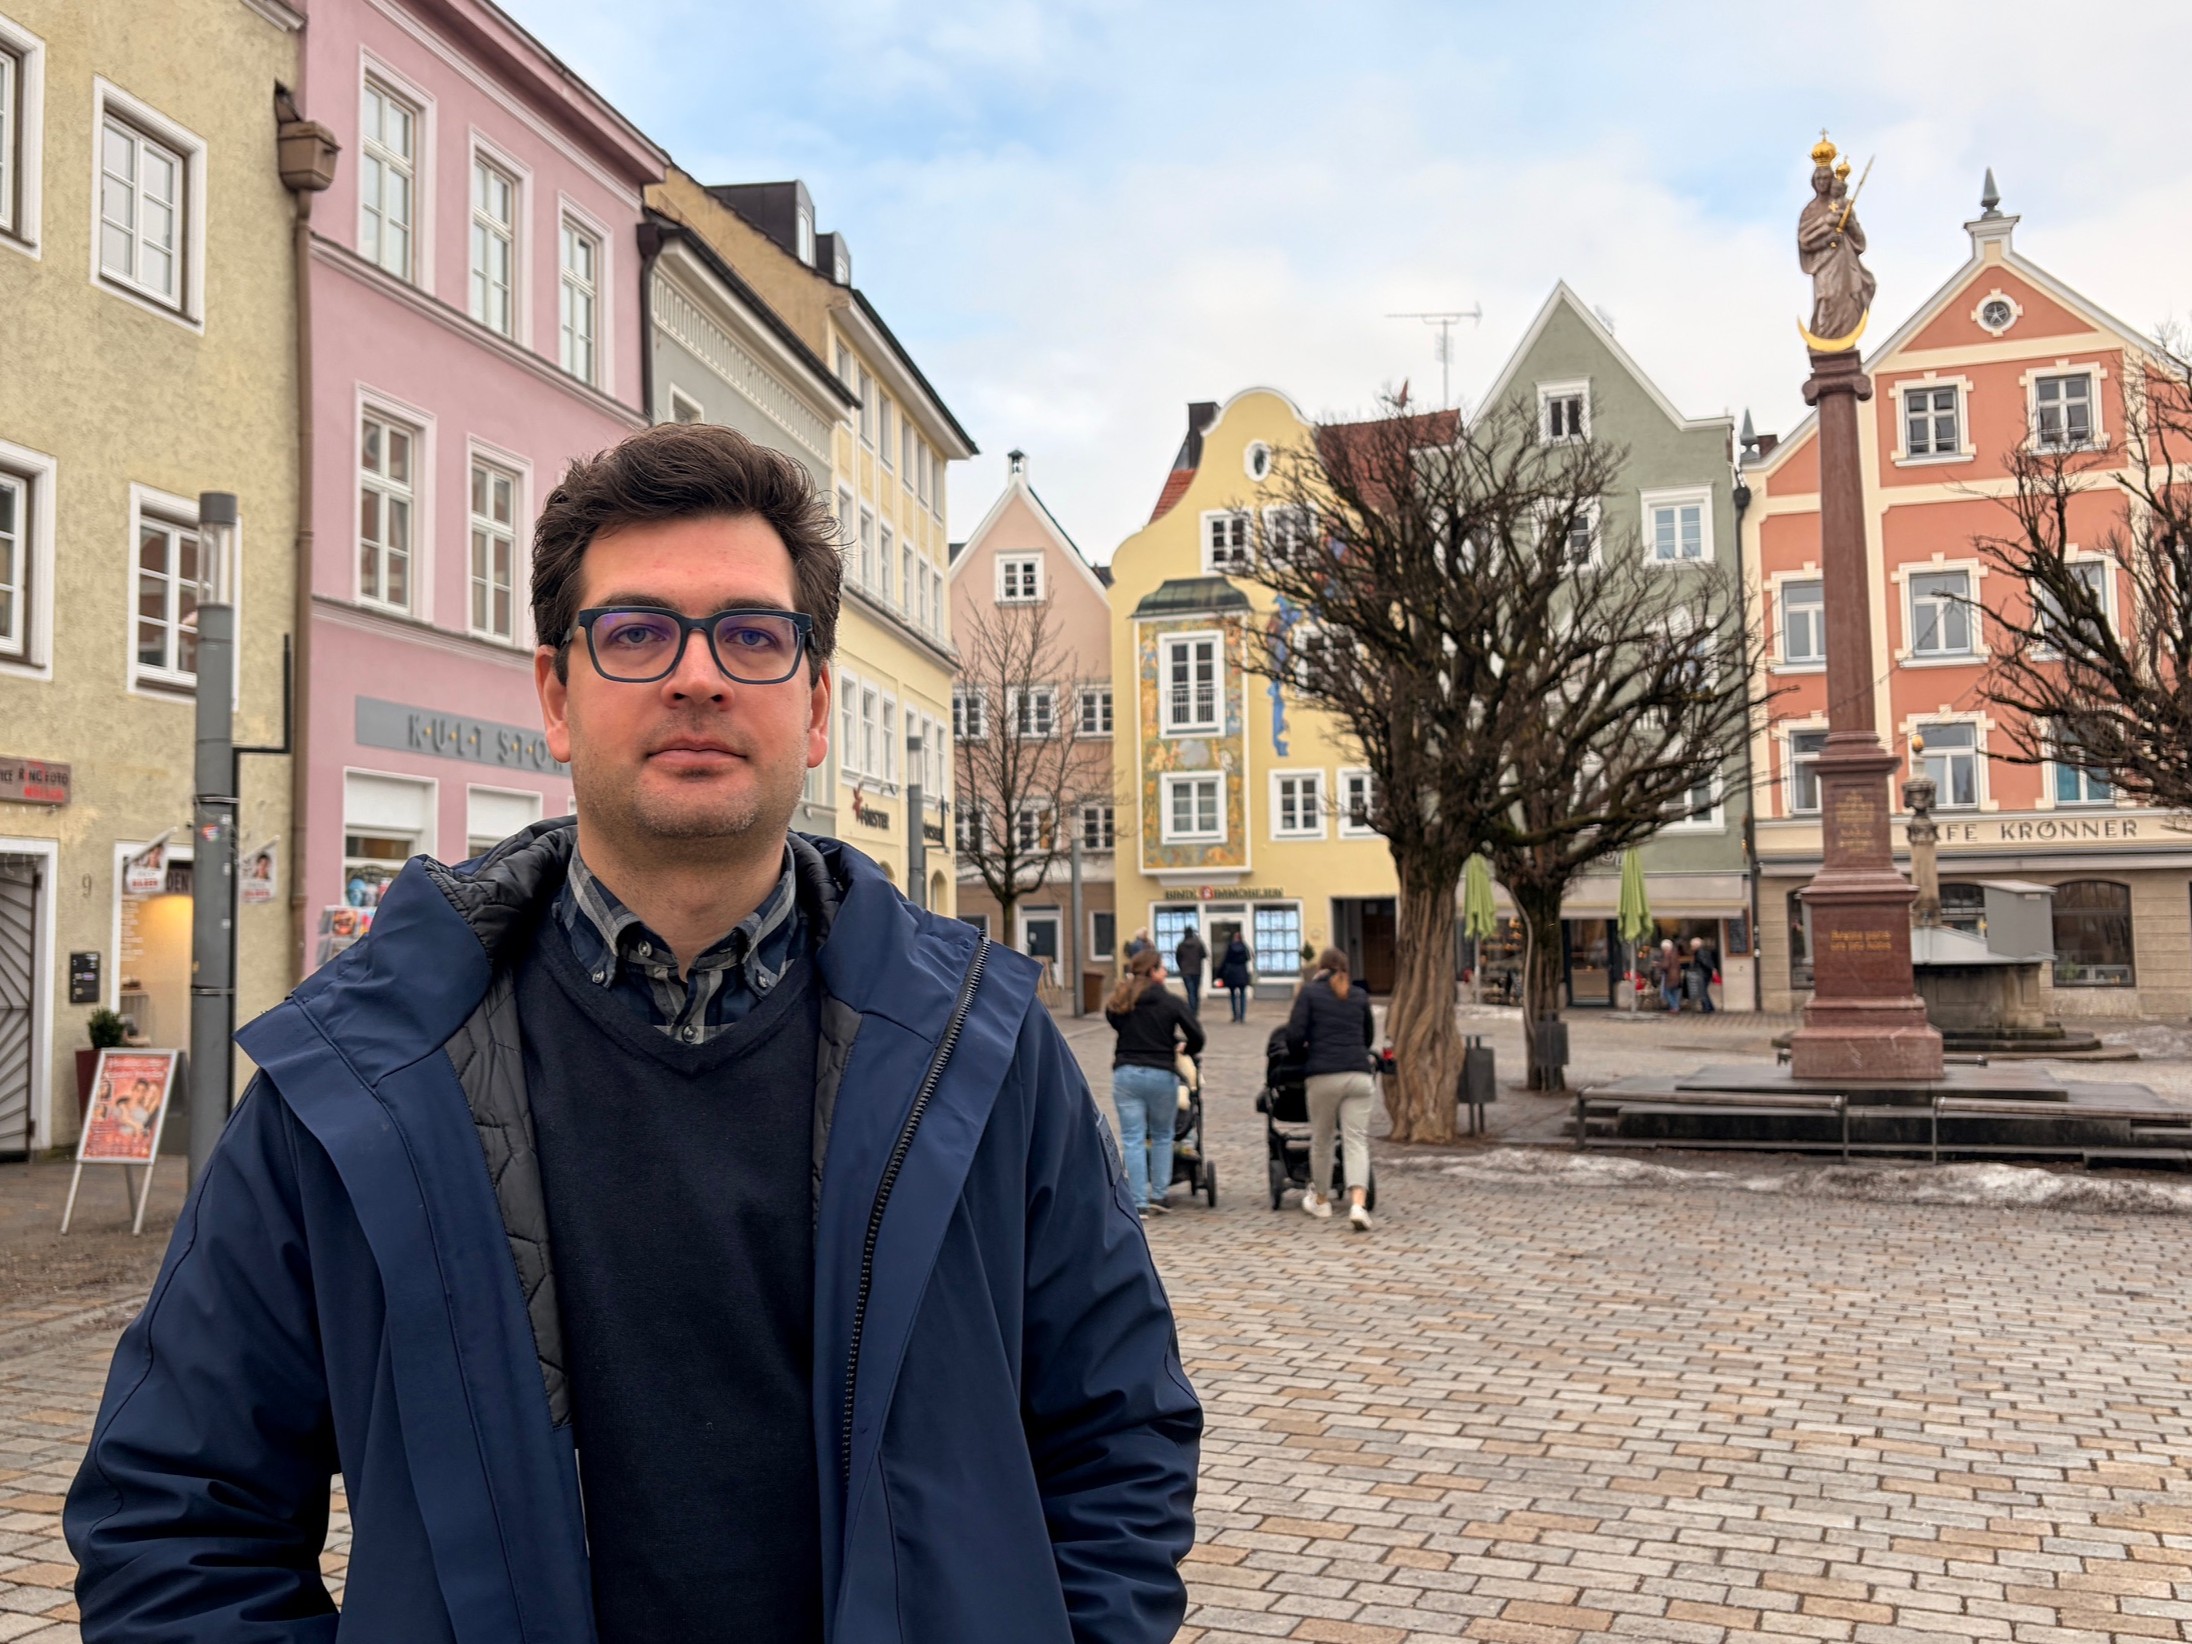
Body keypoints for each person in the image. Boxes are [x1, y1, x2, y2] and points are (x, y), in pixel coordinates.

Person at [67, 423, 1201, 1644]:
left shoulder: (979, 1049)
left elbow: (1116, 1433)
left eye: (752, 636)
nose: (697, 676)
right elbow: (176, 1514)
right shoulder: (358, 1078)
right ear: (556, 696)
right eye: (636, 633)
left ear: (815, 707)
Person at [1105, 948, 1204, 1218]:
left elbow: (1113, 1019)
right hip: (1161, 1073)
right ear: (1152, 970)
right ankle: (1159, 1195)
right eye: (1162, 967)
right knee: (1162, 1136)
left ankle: (1138, 1201)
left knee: (1133, 1138)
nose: (1166, 971)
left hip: (1126, 1073)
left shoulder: (1121, 999)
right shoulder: (1170, 1002)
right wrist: (1182, 1046)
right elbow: (1197, 1034)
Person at [1285, 947, 1377, 1232]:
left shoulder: (1310, 994)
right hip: (1359, 1075)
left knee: (1322, 1139)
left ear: (1321, 968)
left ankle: (1322, 1200)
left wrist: (1303, 1053)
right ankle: (1358, 1204)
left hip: (1323, 1075)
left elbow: (1294, 1035)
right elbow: (1368, 1035)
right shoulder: (1359, 995)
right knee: (1356, 1140)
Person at [1217, 931, 1253, 1023]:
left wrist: (1220, 973)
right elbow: (1249, 958)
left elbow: (1225, 960)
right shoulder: (1245, 947)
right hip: (1242, 973)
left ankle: (1235, 1015)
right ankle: (1242, 1016)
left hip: (1232, 973)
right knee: (1242, 995)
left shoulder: (1230, 947)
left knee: (1233, 995)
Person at [1173, 924, 1207, 1016]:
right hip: (1197, 970)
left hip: (1185, 971)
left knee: (1190, 991)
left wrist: (1181, 967)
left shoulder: (1181, 945)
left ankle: (1191, 1010)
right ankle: (1195, 1010)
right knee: (1196, 991)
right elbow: (1204, 955)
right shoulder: (1198, 944)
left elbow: (1177, 958)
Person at [1690, 934, 1721, 1015]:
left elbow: (1705, 963)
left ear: (1696, 945)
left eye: (1692, 945)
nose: (1691, 947)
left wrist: (1710, 969)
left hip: (1703, 974)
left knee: (1702, 991)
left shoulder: (1700, 952)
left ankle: (1707, 1008)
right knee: (1704, 991)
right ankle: (1710, 1007)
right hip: (1705, 973)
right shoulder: (1703, 951)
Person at [1657, 938, 1682, 1013]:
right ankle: (1676, 1007)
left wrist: (1658, 965)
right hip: (1677, 976)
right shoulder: (1675, 953)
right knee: (1675, 993)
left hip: (1670, 976)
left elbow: (1666, 965)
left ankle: (1674, 1007)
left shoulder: (1668, 955)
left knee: (1667, 992)